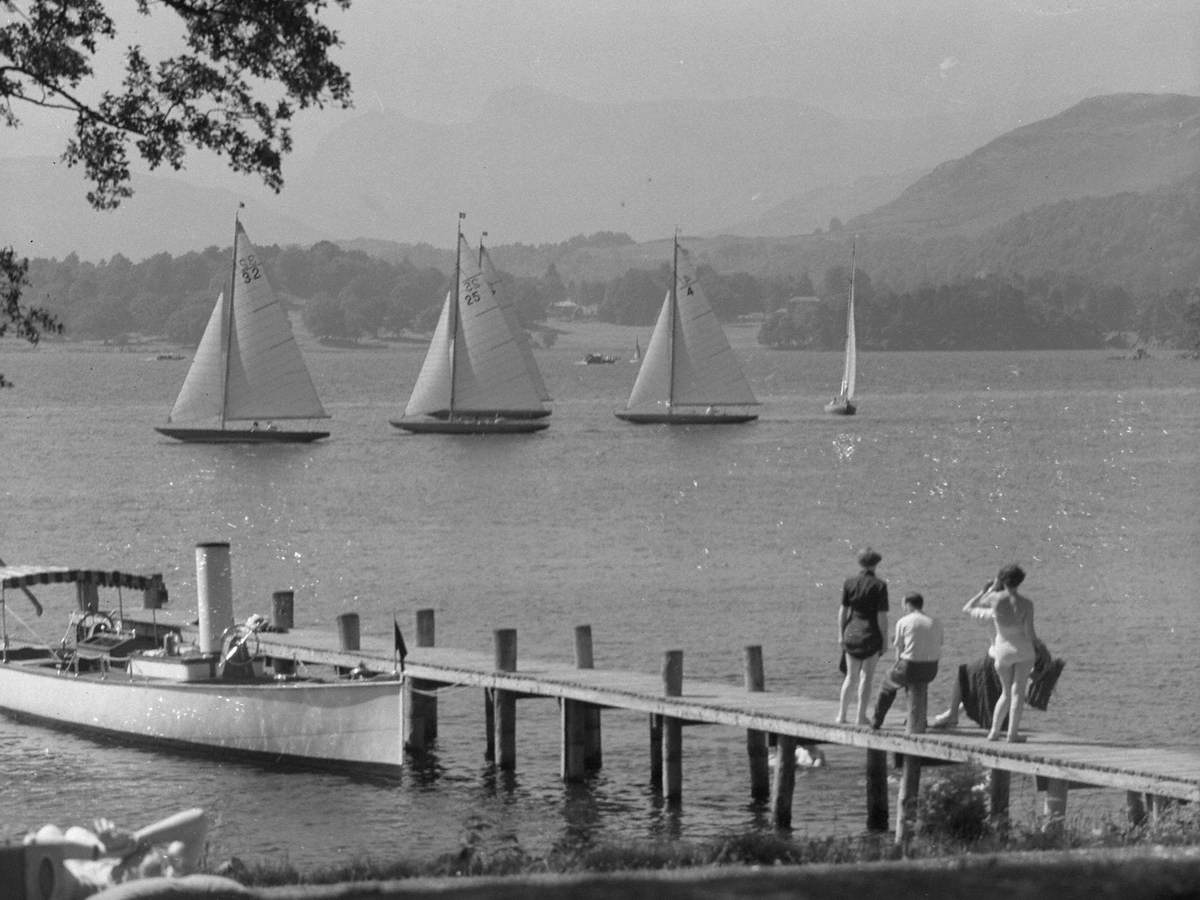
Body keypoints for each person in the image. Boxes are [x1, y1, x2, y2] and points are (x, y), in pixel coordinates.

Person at [962, 562, 1039, 742]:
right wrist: (1039, 647)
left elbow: (973, 605)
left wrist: (989, 588)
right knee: (1018, 691)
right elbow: (1030, 633)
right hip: (1023, 649)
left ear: (1003, 580)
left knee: (1005, 693)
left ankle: (994, 731)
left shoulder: (994, 599)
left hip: (1002, 650)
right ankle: (1012, 734)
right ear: (1020, 581)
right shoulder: (1027, 603)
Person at [931, 638, 1065, 729]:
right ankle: (953, 714)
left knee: (969, 678)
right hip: (1003, 663)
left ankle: (953, 714)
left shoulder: (1030, 652)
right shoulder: (1033, 651)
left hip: (1002, 663)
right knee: (976, 685)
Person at [870, 592, 943, 729]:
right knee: (919, 684)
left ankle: (876, 721)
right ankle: (919, 719)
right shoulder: (935, 621)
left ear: (908, 604)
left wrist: (896, 666)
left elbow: (899, 654)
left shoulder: (904, 622)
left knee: (888, 682)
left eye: (903, 604)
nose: (903, 607)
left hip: (910, 667)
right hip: (931, 669)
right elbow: (938, 644)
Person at [836, 547, 889, 725]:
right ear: (876, 564)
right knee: (867, 677)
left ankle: (841, 715)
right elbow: (882, 617)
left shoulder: (849, 583)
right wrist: (884, 639)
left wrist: (841, 634)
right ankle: (860, 716)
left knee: (851, 677)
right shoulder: (880, 586)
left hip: (851, 632)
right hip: (871, 634)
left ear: (860, 563)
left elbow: (843, 611)